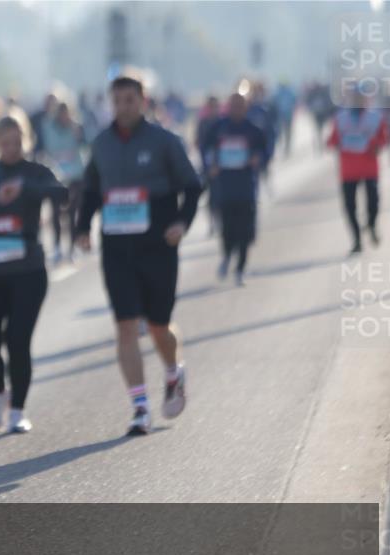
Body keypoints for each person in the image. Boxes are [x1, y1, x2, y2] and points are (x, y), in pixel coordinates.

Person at [76, 76, 202, 436]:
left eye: (129, 100)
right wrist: (83, 227)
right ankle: (140, 406)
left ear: (142, 101)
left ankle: (174, 371)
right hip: (117, 247)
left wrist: (182, 223)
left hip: (158, 244)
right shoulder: (101, 144)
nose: (123, 107)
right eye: (117, 101)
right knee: (125, 324)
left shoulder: (164, 141)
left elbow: (192, 186)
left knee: (159, 325)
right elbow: (91, 190)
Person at [0, 116, 68, 433]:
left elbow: (62, 194)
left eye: (17, 142)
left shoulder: (36, 170)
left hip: (27, 270)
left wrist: (26, 187)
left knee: (17, 340)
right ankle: (0, 391)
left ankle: (17, 410)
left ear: (25, 140)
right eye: (5, 143)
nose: (11, 149)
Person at [201, 93, 266, 285]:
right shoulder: (218, 128)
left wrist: (259, 159)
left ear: (246, 108)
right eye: (233, 105)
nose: (236, 109)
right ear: (227, 107)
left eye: (240, 105)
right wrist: (209, 166)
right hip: (224, 187)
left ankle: (241, 268)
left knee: (245, 231)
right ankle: (227, 255)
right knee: (227, 228)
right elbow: (205, 149)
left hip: (246, 187)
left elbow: (265, 149)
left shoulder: (253, 130)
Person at [327, 91, 390, 253]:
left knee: (373, 202)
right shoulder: (341, 118)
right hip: (348, 170)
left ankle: (371, 225)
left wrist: (376, 145)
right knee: (349, 207)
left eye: (361, 98)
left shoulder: (375, 117)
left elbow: (385, 138)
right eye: (355, 98)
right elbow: (331, 141)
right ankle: (356, 240)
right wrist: (338, 143)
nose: (358, 101)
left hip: (369, 168)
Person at [39, 101, 86, 261]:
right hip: (57, 176)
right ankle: (57, 247)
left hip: (75, 176)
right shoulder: (48, 128)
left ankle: (72, 247)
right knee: (56, 212)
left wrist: (80, 135)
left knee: (73, 213)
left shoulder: (77, 127)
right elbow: (45, 148)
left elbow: (86, 144)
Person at [195, 95, 223, 237]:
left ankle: (222, 221)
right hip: (209, 165)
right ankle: (212, 223)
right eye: (211, 106)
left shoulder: (224, 122)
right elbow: (200, 144)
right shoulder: (203, 123)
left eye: (215, 106)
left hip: (224, 166)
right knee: (211, 196)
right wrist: (208, 165)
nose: (213, 109)